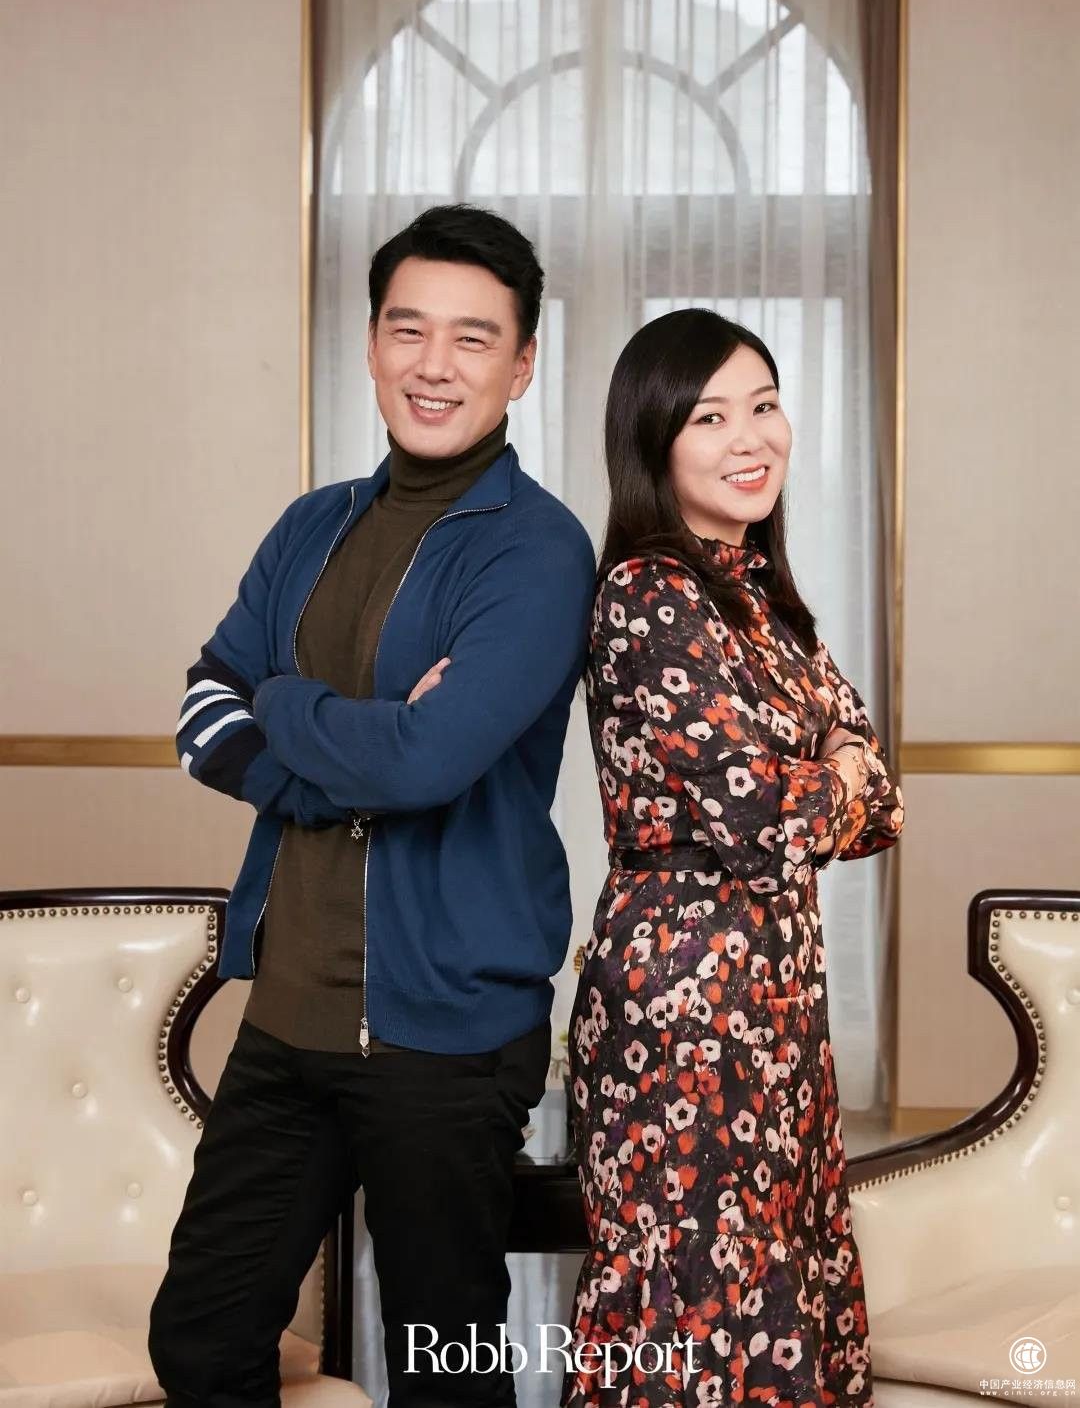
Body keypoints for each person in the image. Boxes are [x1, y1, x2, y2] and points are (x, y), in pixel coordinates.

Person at [148, 204, 596, 1408]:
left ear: (521, 364)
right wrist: (365, 731)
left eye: (471, 337)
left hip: (450, 1035)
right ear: (370, 343)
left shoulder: (538, 552)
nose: (433, 365)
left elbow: (425, 767)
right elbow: (201, 714)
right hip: (288, 1014)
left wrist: (283, 700)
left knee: (444, 1370)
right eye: (409, 329)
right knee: (202, 1342)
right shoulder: (311, 524)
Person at [561, 309, 903, 1407]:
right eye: (709, 417)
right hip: (686, 1005)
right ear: (654, 443)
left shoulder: (764, 600)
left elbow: (881, 805)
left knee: (775, 1285)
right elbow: (767, 821)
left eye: (764, 405)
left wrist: (836, 778)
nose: (750, 437)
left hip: (778, 996)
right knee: (691, 1297)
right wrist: (835, 769)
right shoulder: (646, 594)